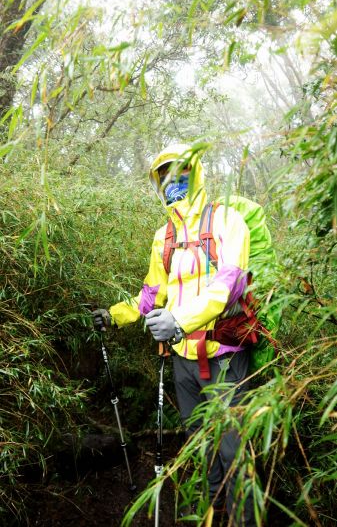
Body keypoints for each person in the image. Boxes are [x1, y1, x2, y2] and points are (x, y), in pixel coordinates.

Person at [93, 144, 256, 526]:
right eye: (163, 176)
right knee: (204, 449)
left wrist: (179, 321)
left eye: (179, 173)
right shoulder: (162, 236)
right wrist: (114, 316)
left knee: (235, 452)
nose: (172, 182)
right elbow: (151, 294)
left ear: (196, 172)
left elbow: (229, 285)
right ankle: (216, 518)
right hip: (184, 363)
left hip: (227, 357)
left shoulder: (228, 221)